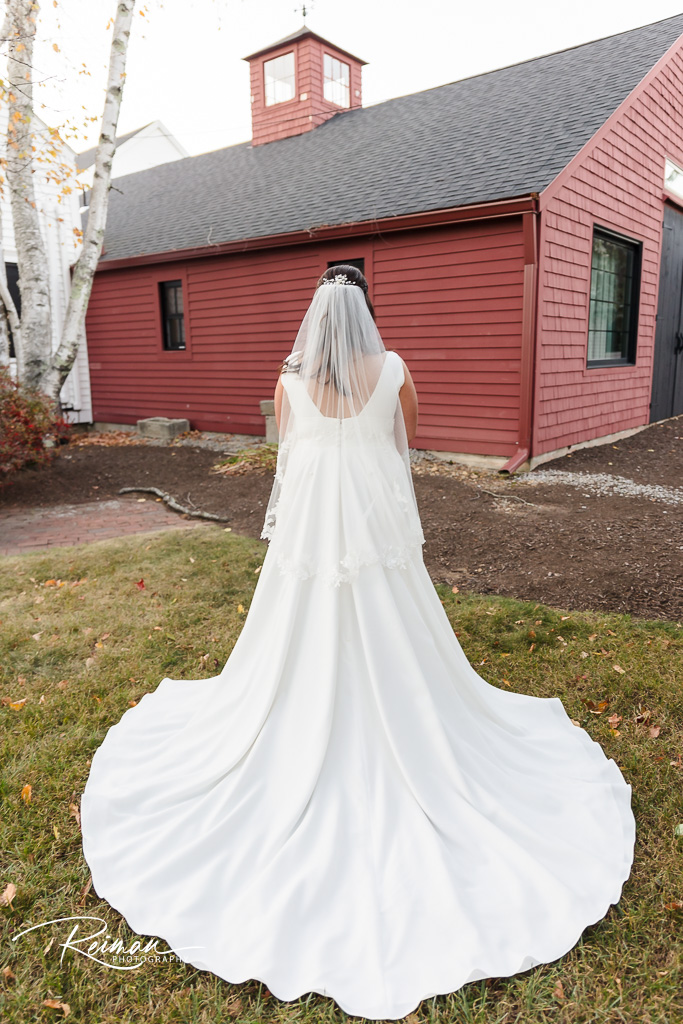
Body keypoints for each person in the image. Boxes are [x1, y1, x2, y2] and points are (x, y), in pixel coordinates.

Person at [80, 265, 636, 1021]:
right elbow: (406, 432)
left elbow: (286, 449)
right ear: (365, 312)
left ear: (314, 317)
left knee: (294, 629)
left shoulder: (286, 379)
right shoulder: (395, 368)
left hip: (313, 533)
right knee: (393, 623)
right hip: (371, 531)